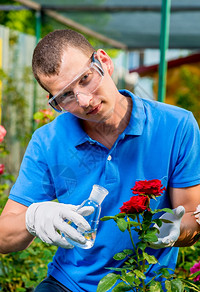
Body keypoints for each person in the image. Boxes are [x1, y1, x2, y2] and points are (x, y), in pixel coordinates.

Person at [0, 29, 200, 292]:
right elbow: (4, 237)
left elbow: (191, 217)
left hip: (148, 283)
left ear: (104, 62)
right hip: (69, 284)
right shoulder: (47, 141)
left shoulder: (176, 126)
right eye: (65, 96)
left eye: (85, 79)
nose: (83, 100)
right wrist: (33, 219)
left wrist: (174, 230)